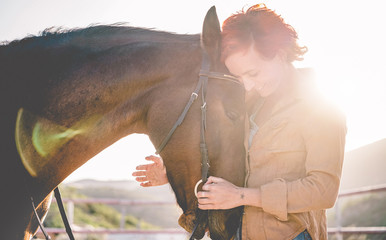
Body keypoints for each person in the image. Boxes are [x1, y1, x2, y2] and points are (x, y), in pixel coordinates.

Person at [132, 4, 346, 240]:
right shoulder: (249, 102)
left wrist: (241, 196)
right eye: (239, 76)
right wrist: (171, 172)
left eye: (253, 73)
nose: (247, 85)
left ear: (280, 54)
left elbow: (323, 191)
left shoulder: (319, 106)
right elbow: (225, 161)